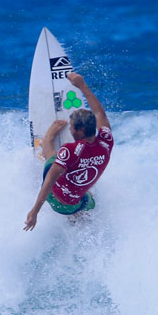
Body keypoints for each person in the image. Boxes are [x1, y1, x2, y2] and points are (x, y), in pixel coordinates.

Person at [24, 72, 113, 231]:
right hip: (82, 200)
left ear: (81, 130)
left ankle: (47, 140)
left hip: (59, 203)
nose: (69, 128)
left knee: (52, 160)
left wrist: (34, 211)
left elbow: (49, 180)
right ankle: (75, 218)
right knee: (90, 202)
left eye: (72, 126)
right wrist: (82, 85)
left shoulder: (69, 150)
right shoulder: (107, 141)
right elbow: (100, 114)